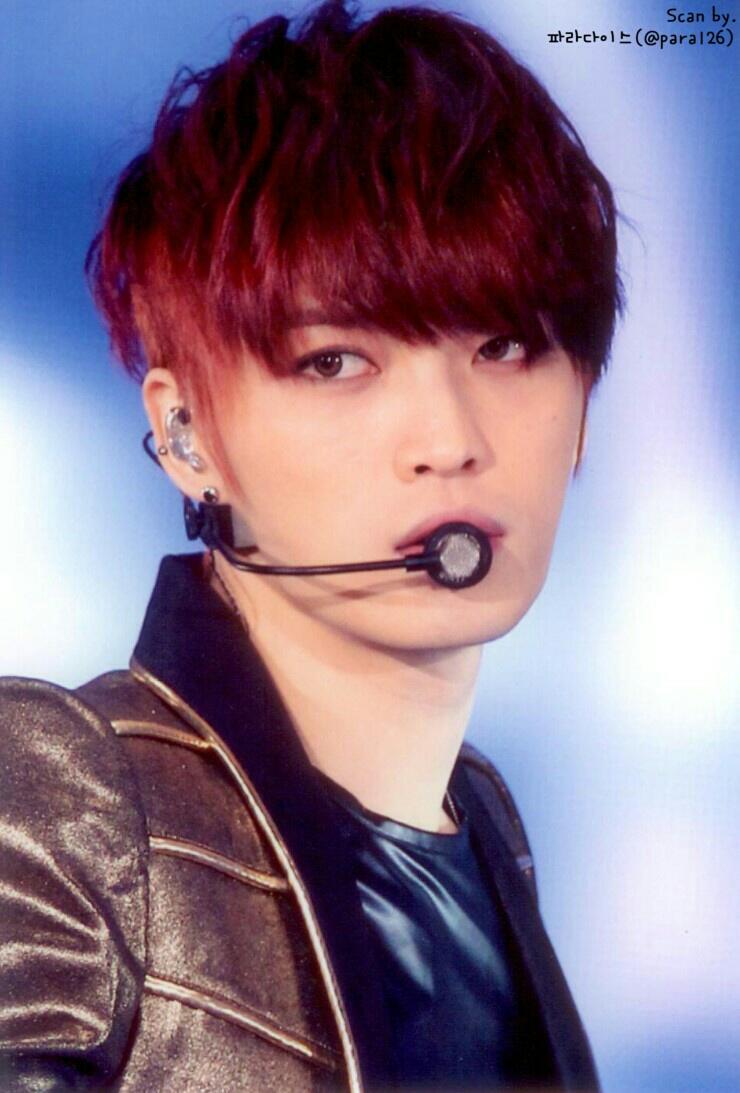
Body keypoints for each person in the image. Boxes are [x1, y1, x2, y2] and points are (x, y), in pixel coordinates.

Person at [0, 2, 621, 1089]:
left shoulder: (485, 827)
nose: (450, 442)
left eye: (506, 345)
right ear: (185, 434)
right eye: (335, 362)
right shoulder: (65, 795)